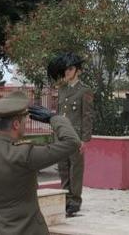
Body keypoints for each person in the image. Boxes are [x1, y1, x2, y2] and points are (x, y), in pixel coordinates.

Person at [0, 91, 81, 235]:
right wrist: (54, 118)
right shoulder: (24, 155)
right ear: (15, 124)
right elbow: (72, 142)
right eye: (24, 120)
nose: (25, 123)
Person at [47, 52, 93, 216]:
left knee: (76, 169)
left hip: (75, 137)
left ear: (78, 71)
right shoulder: (62, 90)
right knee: (63, 168)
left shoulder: (85, 90)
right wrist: (55, 135)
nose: (67, 72)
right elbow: (58, 115)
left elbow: (87, 116)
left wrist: (84, 140)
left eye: (71, 69)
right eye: (65, 69)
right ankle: (65, 198)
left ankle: (75, 201)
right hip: (61, 137)